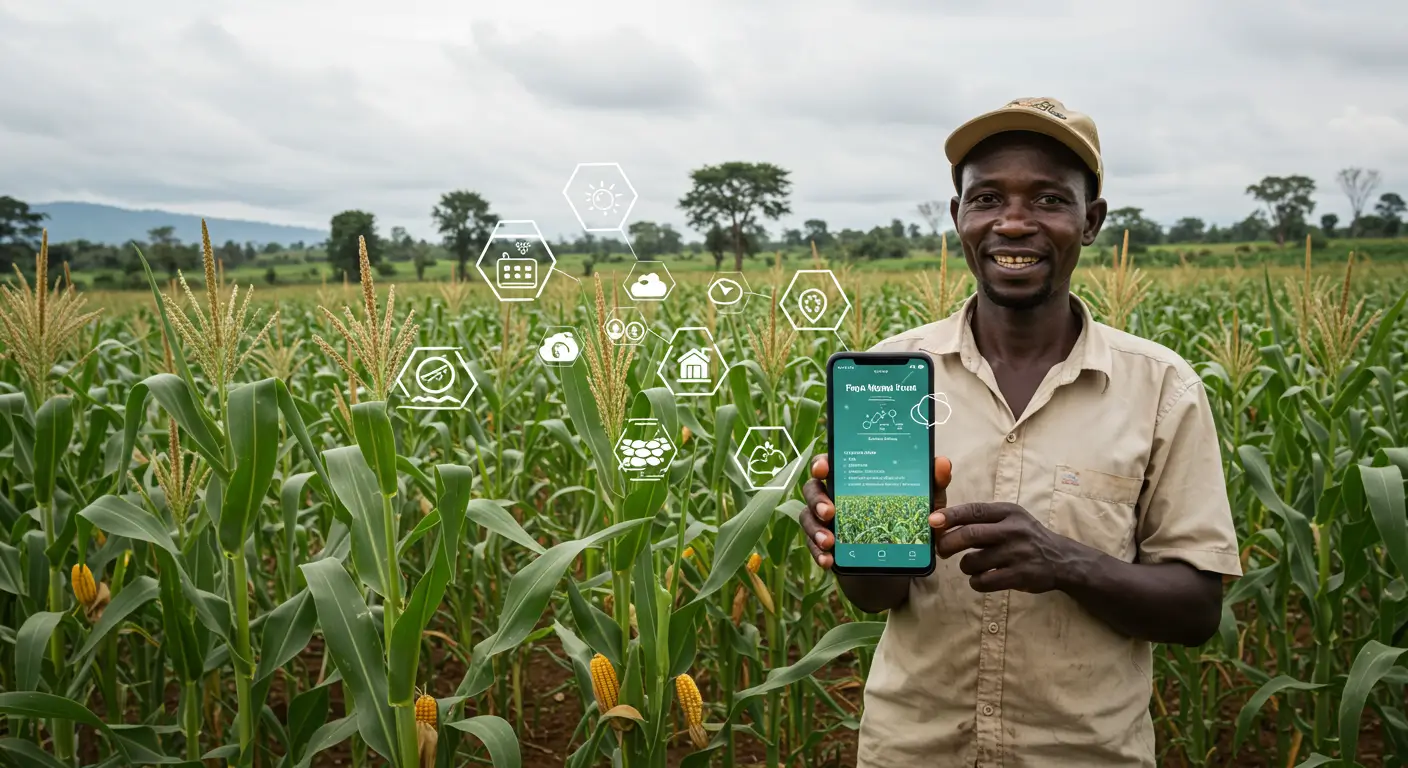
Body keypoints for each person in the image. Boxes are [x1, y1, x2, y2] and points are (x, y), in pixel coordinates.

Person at [798, 97, 1243, 767]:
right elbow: (876, 597)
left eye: (1047, 200)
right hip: (913, 751)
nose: (1012, 223)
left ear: (1090, 221)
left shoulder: (1160, 388)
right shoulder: (888, 376)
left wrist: (1066, 562)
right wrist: (849, 545)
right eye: (986, 200)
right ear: (958, 219)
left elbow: (1196, 611)